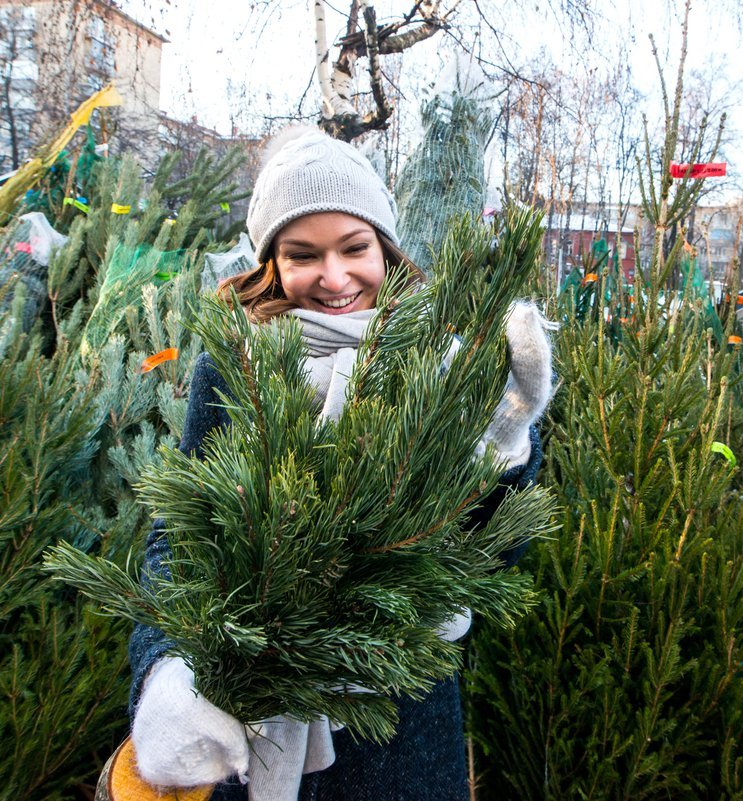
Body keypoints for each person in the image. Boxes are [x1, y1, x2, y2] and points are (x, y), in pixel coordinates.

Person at [125, 127, 553, 801]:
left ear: (384, 244)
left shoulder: (435, 361)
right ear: (271, 261)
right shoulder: (237, 361)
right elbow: (178, 537)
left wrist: (502, 447)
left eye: (354, 248)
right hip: (256, 726)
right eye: (303, 254)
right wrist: (166, 671)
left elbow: (492, 557)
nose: (334, 276)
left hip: (401, 734)